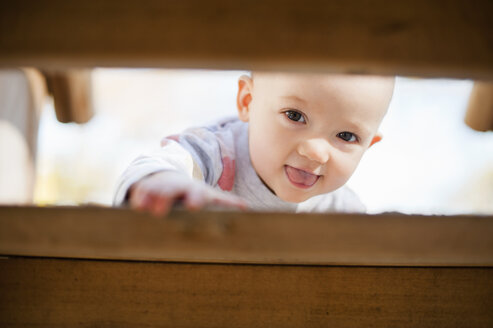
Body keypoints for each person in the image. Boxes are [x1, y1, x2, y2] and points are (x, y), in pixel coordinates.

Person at [114, 72, 394, 216]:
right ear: (248, 101)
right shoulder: (215, 153)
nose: (317, 152)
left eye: (346, 136)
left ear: (368, 146)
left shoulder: (341, 210)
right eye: (294, 116)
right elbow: (155, 165)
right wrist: (163, 180)